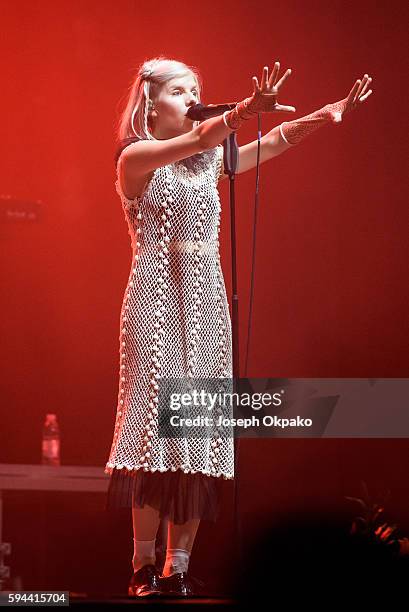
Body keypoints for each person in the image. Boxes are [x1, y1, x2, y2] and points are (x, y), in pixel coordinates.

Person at [104, 55, 373, 598]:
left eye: (196, 89)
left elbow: (266, 146)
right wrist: (241, 111)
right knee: (155, 431)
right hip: (155, 303)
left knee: (199, 430)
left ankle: (177, 567)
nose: (192, 96)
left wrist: (325, 115)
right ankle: (141, 567)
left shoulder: (209, 159)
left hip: (205, 306)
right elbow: (196, 140)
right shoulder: (139, 157)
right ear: (150, 102)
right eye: (181, 90)